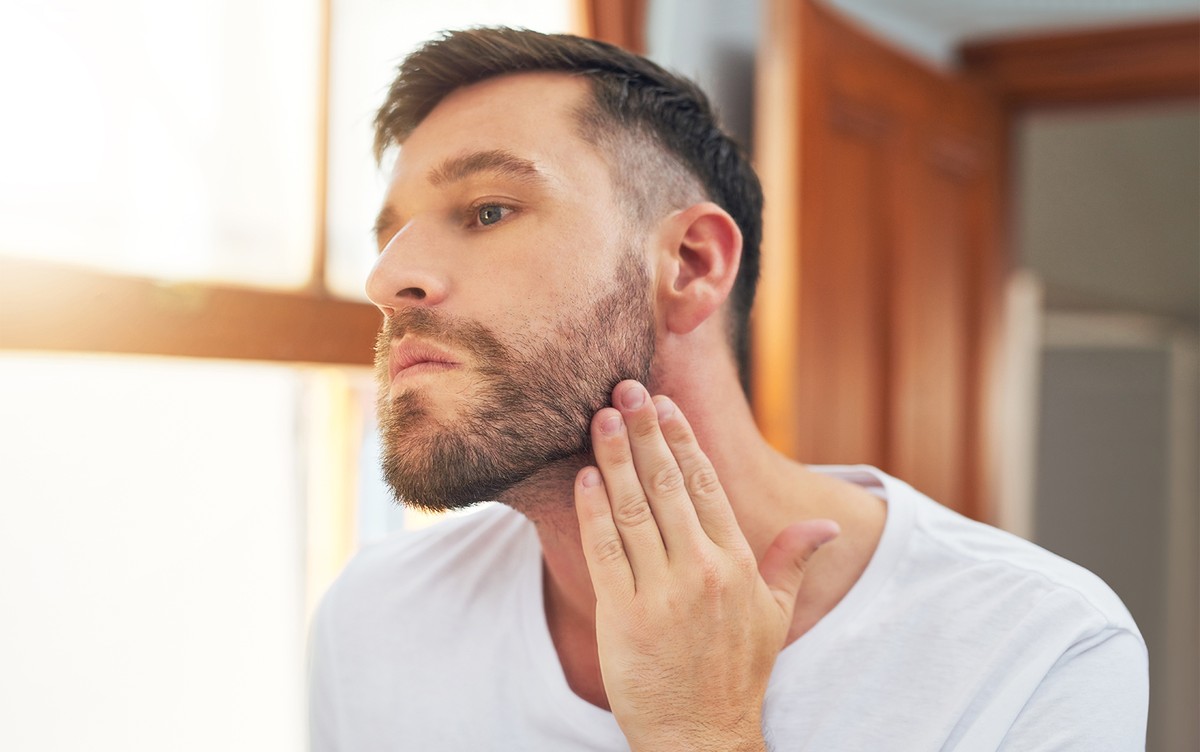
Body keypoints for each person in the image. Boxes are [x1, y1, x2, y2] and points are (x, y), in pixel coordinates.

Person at [308, 27, 1148, 751]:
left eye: (487, 210)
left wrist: (700, 733)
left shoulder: (1040, 646)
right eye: (391, 239)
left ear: (691, 265)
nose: (389, 278)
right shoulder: (376, 620)